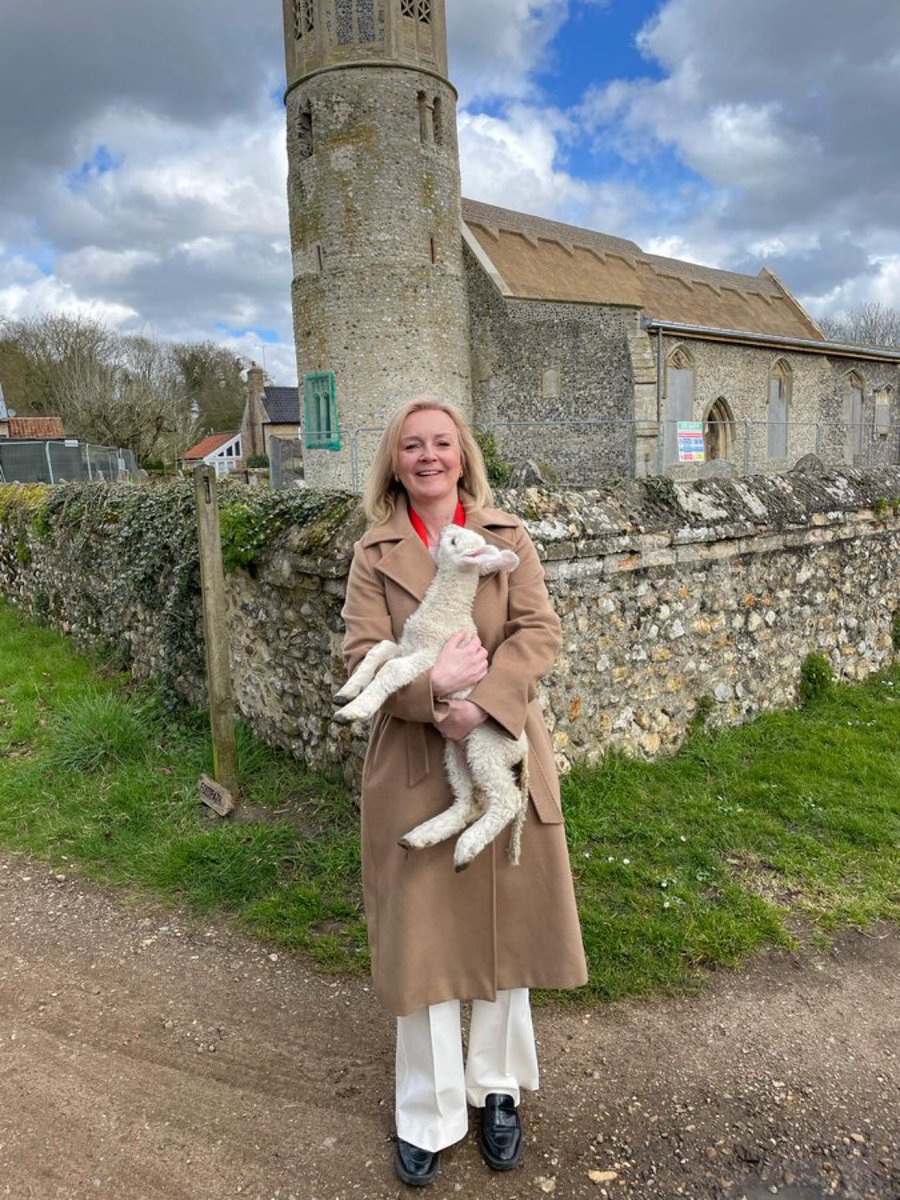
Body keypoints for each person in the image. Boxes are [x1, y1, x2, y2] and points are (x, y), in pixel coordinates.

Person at [341, 397, 587, 1187]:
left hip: (501, 752)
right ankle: (429, 1111)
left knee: (505, 936)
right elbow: (361, 650)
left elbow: (538, 631)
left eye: (441, 443)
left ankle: (498, 1091)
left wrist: (480, 702)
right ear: (394, 461)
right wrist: (429, 695)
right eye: (411, 445)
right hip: (414, 772)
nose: (428, 456)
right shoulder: (372, 552)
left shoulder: (507, 538)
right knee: (423, 947)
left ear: (462, 455)